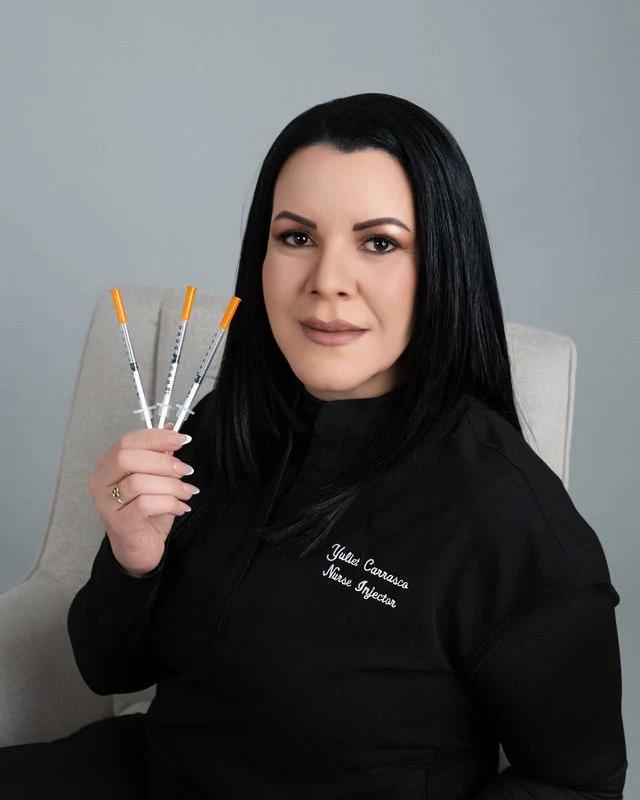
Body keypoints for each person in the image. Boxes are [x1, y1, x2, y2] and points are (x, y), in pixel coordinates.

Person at [0, 93, 627, 798]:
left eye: (379, 243)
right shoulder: (224, 422)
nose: (327, 283)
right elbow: (108, 669)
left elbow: (581, 784)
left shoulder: (511, 517)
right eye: (297, 237)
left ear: (443, 266)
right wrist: (132, 559)